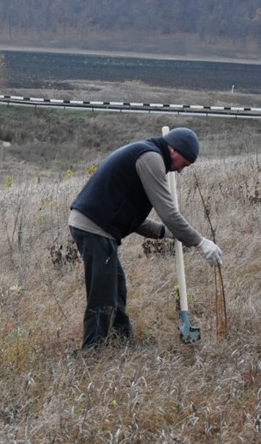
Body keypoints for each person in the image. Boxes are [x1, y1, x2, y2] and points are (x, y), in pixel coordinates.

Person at [68, 127, 223, 351]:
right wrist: (200, 242)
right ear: (173, 149)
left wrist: (164, 232)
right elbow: (169, 212)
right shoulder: (151, 158)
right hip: (93, 227)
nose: (180, 171)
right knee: (102, 295)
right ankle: (92, 353)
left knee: (117, 288)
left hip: (98, 226)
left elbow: (128, 213)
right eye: (184, 164)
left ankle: (122, 341)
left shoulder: (145, 154)